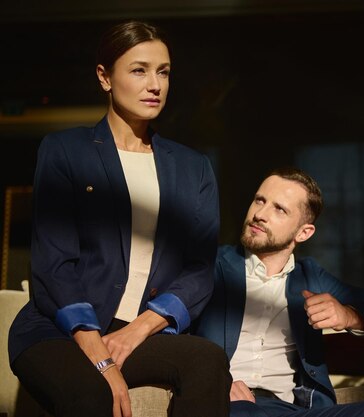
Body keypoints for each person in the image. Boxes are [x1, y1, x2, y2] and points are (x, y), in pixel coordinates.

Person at [8, 21, 230, 417]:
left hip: (138, 330)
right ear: (104, 77)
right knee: (92, 393)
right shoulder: (65, 151)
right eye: (139, 70)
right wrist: (102, 358)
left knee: (207, 360)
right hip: (57, 332)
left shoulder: (194, 168)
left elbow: (199, 270)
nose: (155, 84)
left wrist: (138, 330)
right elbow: (53, 264)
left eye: (163, 72)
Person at [194, 167, 364, 417]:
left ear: (304, 232)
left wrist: (349, 315)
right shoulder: (212, 265)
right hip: (228, 405)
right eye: (260, 200)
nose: (260, 214)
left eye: (279, 209)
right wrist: (215, 385)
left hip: (293, 411)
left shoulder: (309, 277)